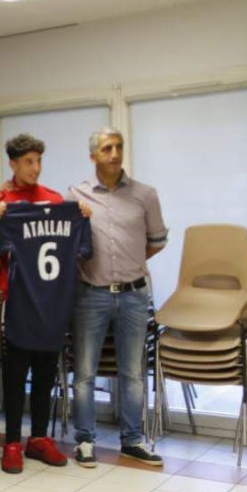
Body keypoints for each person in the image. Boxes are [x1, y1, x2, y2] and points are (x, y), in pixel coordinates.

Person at [0, 133, 83, 474]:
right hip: (18, 304)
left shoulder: (54, 200)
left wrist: (82, 214)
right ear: (12, 163)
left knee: (45, 373)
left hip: (51, 305)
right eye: (28, 162)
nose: (35, 168)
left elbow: (75, 247)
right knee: (14, 375)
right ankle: (11, 442)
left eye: (39, 161)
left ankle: (39, 438)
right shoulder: (2, 202)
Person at [67, 127, 166, 468]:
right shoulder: (76, 195)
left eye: (118, 147)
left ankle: (132, 440)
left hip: (133, 296)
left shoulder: (145, 195)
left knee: (133, 373)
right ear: (93, 155)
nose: (114, 154)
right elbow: (67, 244)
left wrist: (129, 262)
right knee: (84, 372)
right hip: (90, 295)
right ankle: (84, 441)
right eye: (107, 148)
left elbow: (156, 242)